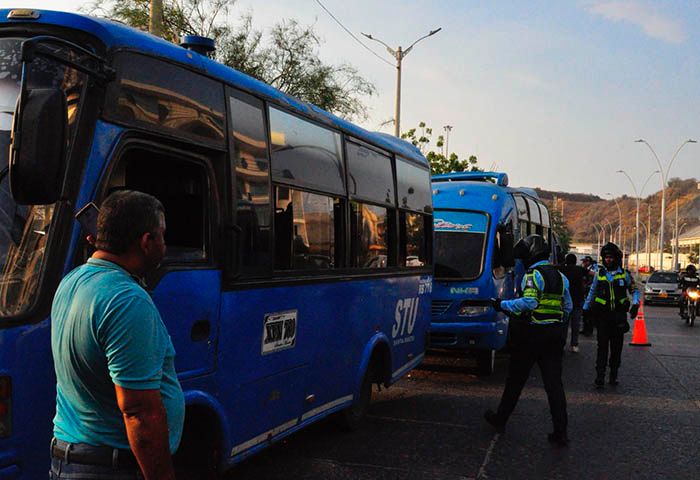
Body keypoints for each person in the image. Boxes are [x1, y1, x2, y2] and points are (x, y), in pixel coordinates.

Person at [50, 191, 184, 480]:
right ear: (146, 242)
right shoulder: (126, 299)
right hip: (109, 467)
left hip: (70, 458)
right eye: (161, 236)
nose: (164, 245)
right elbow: (139, 413)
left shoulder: (72, 281)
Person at [484, 234, 573, 447]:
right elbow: (568, 307)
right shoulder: (561, 277)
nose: (521, 260)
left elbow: (530, 302)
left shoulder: (533, 275)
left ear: (531, 254)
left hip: (532, 336)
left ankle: (500, 419)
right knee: (554, 386)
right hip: (554, 337)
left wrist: (502, 305)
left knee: (515, 381)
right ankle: (560, 432)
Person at [582, 242, 639, 389]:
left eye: (611, 257)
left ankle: (613, 374)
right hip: (602, 318)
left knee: (616, 348)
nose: (608, 260)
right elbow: (592, 292)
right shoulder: (599, 274)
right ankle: (599, 376)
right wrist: (586, 308)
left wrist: (635, 303)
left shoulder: (624, 274)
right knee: (602, 348)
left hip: (619, 317)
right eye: (606, 257)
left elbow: (634, 290)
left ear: (616, 258)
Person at [558, 254, 586, 352]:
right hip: (577, 301)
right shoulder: (580, 269)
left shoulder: (562, 269)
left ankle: (562, 345)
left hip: (564, 301)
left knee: (564, 325)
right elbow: (593, 274)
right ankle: (574, 345)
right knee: (576, 325)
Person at [579, 256, 596, 336]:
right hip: (585, 292)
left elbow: (593, 280)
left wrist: (586, 284)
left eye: (585, 261)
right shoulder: (584, 269)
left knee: (590, 313)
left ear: (589, 262)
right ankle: (585, 329)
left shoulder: (593, 269)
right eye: (583, 261)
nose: (584, 263)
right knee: (585, 313)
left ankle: (589, 330)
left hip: (590, 292)